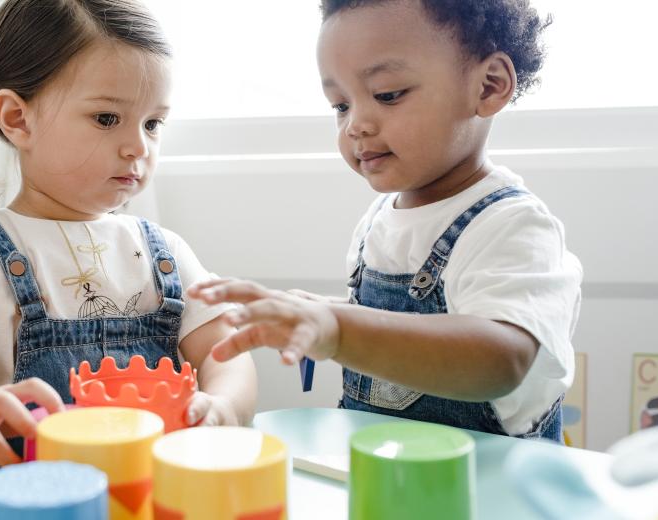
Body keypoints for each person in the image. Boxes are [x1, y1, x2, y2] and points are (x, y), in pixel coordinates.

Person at [0, 0, 256, 493]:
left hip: (158, 499)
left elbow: (226, 353)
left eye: (153, 124)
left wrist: (224, 406)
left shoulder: (163, 252)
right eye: (107, 118)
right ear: (18, 119)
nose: (138, 147)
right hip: (36, 504)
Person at [190, 0, 580, 441]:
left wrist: (339, 328)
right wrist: (322, 313)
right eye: (340, 105)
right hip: (392, 475)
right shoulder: (379, 220)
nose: (355, 124)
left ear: (488, 86)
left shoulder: (512, 225)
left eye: (387, 94)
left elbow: (502, 359)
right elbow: (390, 322)